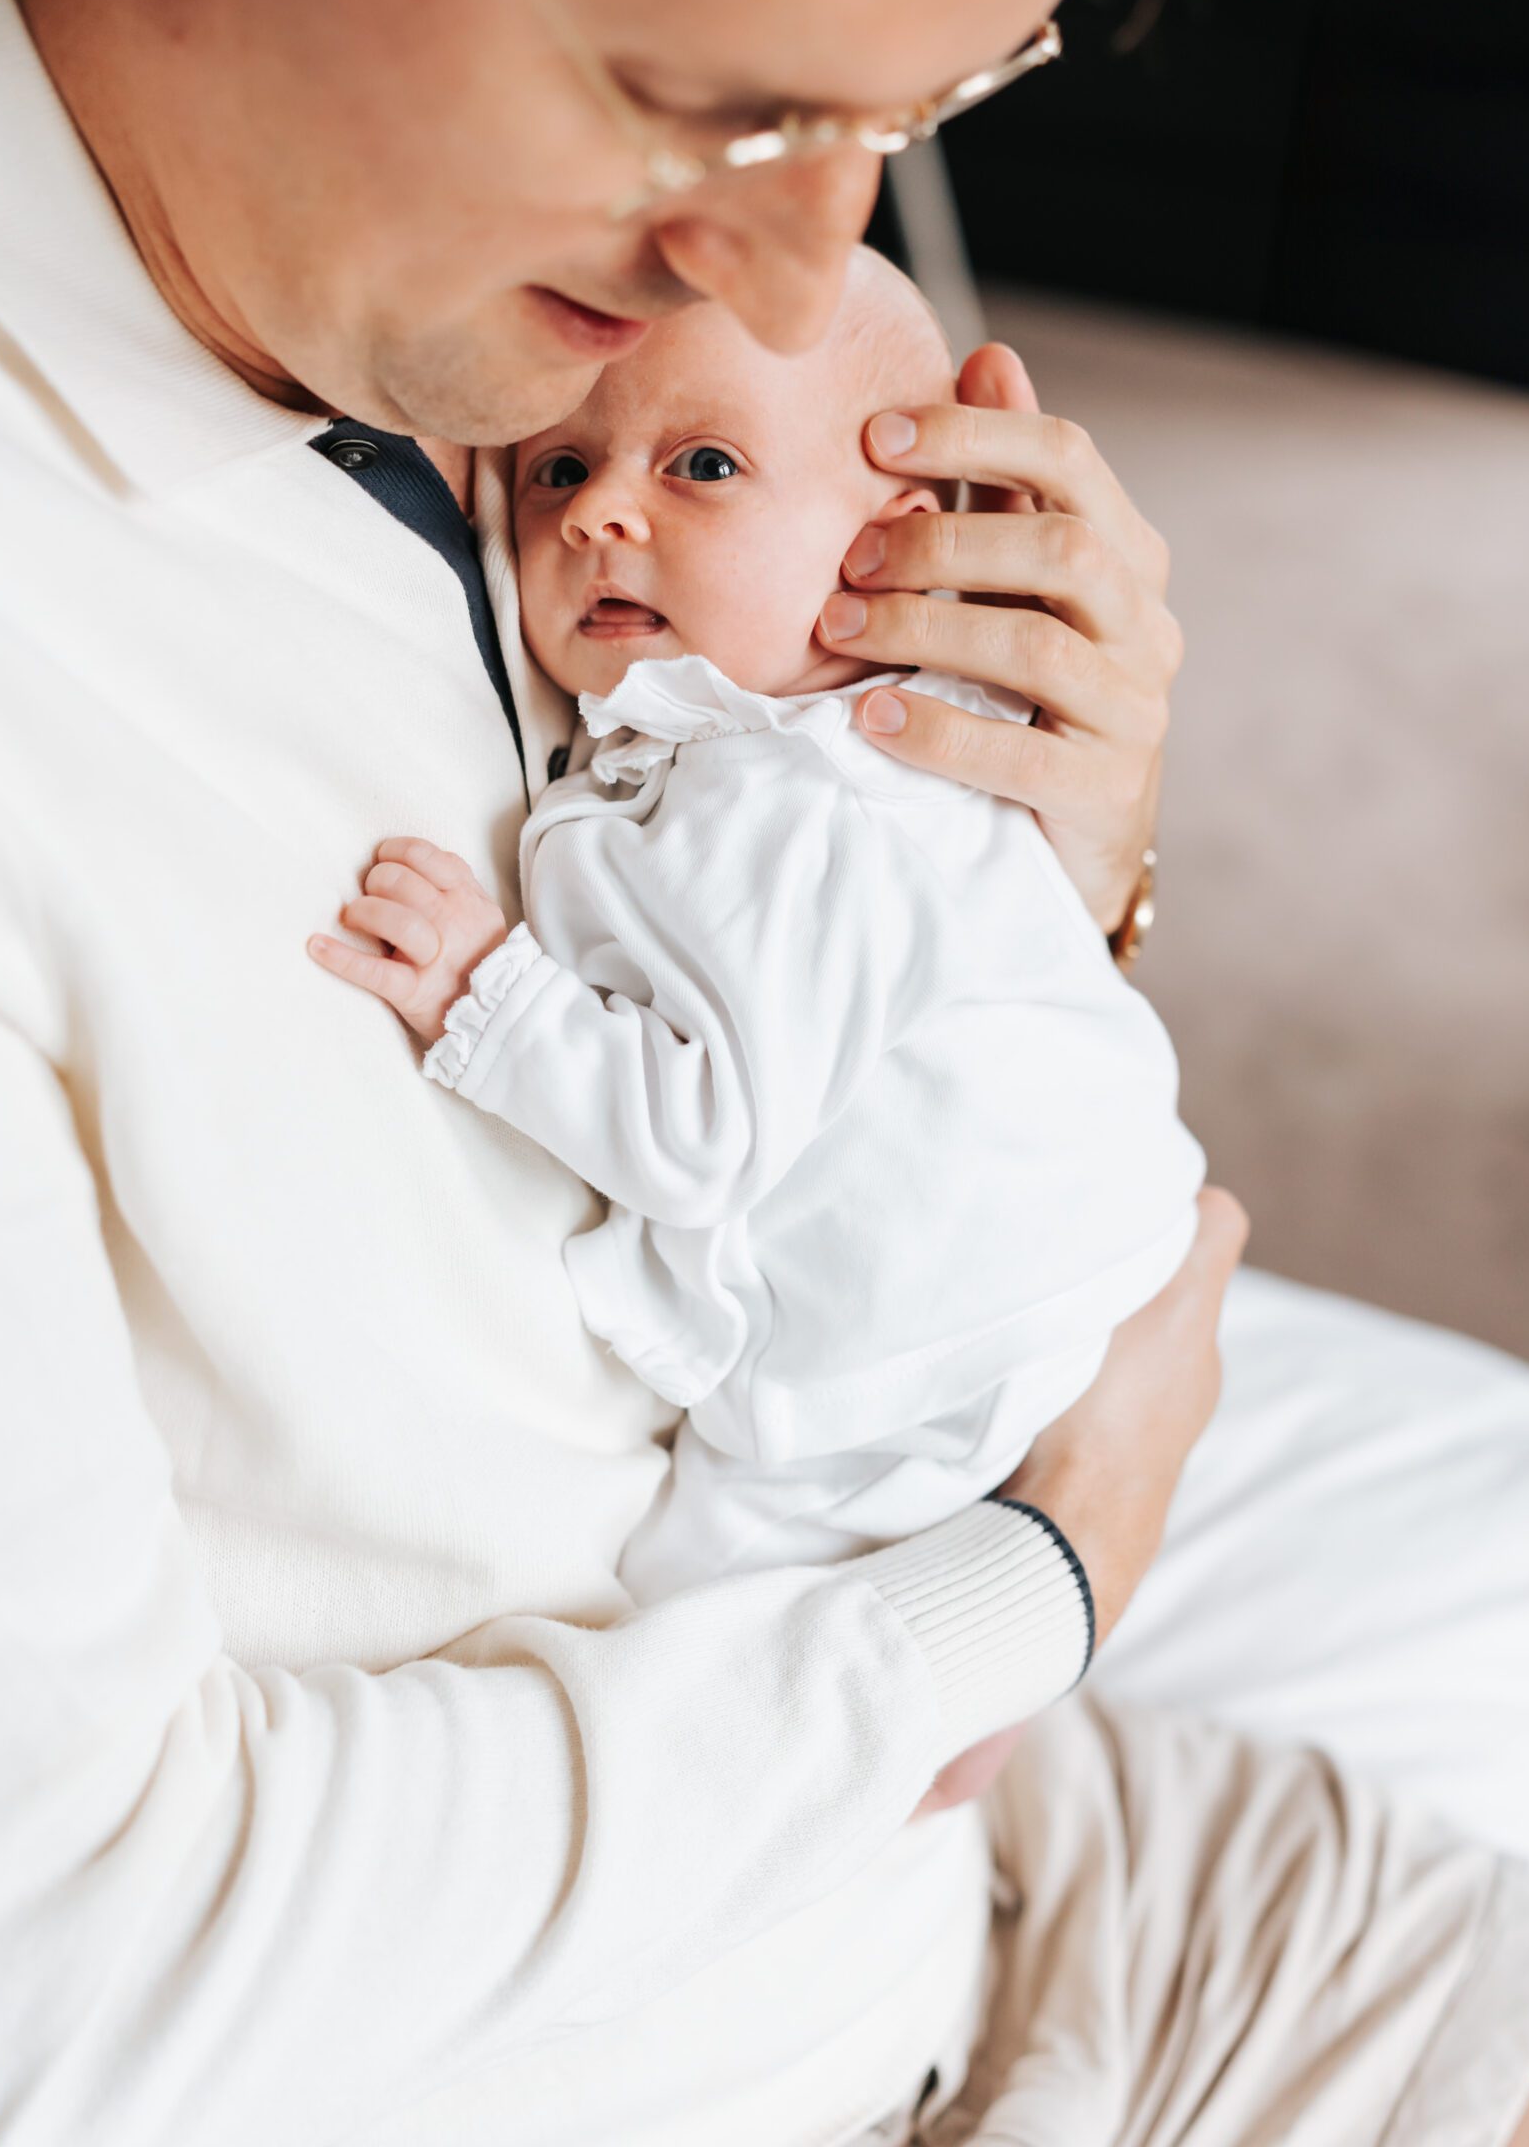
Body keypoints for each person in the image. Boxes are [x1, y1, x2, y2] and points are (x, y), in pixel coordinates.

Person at [0, 0, 1529, 2142]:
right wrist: (1007, 1594)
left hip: (960, 1829)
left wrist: (1005, 840)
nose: (802, 278)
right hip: (690, 1970)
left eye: (922, 95)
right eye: (704, 92)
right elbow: (30, 1985)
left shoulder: (368, 265)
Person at [308, 253, 1208, 1602]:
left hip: (918, 1361)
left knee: (685, 1610)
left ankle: (961, 1730)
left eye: (706, 467)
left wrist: (486, 991)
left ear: (895, 533)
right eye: (556, 469)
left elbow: (697, 1141)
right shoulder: (792, 738)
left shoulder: (793, 805)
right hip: (1062, 1259)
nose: (599, 513)